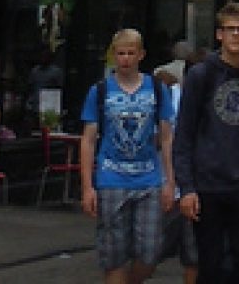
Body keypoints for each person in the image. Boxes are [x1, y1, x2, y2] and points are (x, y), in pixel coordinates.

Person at [173, 2, 239, 284]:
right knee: (210, 266)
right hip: (207, 184)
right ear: (219, 35)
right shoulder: (201, 75)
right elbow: (183, 134)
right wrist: (186, 187)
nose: (235, 35)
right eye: (229, 29)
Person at [79, 29, 177, 284]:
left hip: (149, 179)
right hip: (111, 178)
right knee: (114, 254)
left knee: (151, 250)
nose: (125, 59)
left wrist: (171, 181)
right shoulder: (100, 91)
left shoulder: (156, 89)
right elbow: (88, 140)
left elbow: (166, 137)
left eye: (130, 53)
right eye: (120, 53)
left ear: (141, 55)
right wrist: (87, 186)